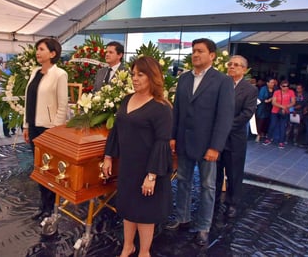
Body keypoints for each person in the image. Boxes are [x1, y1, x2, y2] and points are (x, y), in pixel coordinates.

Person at [102, 56, 173, 257]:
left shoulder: (161, 107)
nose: (135, 78)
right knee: (127, 209)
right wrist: (108, 156)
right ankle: (127, 247)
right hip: (128, 167)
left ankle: (144, 251)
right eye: (133, 74)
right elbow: (116, 130)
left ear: (152, 76)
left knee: (144, 214)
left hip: (148, 168)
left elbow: (162, 143)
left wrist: (151, 176)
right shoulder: (126, 99)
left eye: (140, 74)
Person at [167, 38, 235, 246]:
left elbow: (224, 117)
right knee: (183, 182)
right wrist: (172, 136)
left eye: (200, 51)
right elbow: (177, 110)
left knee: (207, 187)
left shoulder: (223, 81)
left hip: (208, 146)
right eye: (193, 51)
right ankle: (182, 217)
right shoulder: (184, 78)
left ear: (212, 55)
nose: (195, 54)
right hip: (184, 141)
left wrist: (215, 146)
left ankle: (203, 227)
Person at [22, 38, 68, 220]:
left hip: (49, 129)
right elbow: (28, 101)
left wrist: (55, 130)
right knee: (39, 168)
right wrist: (26, 125)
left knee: (50, 169)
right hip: (34, 126)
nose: (37, 52)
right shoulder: (35, 72)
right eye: (37, 49)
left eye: (41, 49)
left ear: (53, 53)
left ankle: (51, 206)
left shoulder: (60, 74)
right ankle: (44, 204)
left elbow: (63, 105)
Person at [215, 55, 258, 218]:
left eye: (236, 65)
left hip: (235, 138)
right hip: (217, 140)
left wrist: (223, 127)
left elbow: (247, 113)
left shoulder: (250, 89)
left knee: (233, 173)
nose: (232, 67)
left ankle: (232, 203)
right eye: (230, 64)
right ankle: (215, 201)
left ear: (244, 70)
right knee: (216, 172)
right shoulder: (220, 85)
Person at [263, 80, 296, 149]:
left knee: (283, 126)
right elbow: (273, 102)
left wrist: (286, 107)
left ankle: (281, 141)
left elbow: (293, 102)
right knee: (272, 125)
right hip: (275, 111)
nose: (286, 88)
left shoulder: (291, 92)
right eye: (284, 86)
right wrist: (282, 107)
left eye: (287, 86)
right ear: (281, 86)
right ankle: (268, 139)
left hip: (285, 111)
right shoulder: (277, 92)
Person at [255, 77, 276, 142]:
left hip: (271, 108)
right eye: (272, 82)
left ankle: (265, 134)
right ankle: (258, 135)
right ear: (267, 83)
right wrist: (268, 100)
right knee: (260, 121)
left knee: (268, 121)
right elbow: (260, 97)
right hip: (262, 107)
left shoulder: (275, 89)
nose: (273, 84)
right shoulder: (263, 89)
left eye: (274, 82)